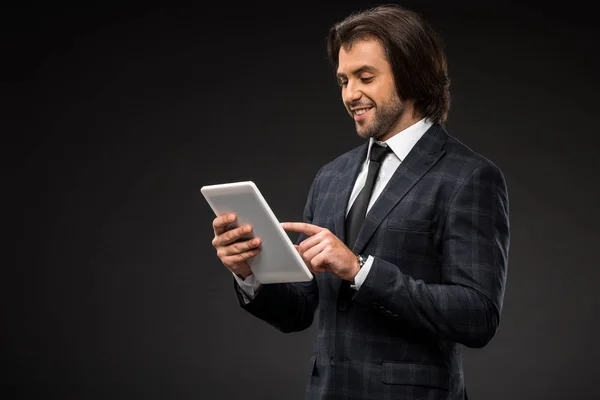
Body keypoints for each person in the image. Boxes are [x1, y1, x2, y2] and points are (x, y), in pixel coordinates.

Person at [210, 4, 509, 400]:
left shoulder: (469, 177)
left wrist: (360, 269)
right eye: (342, 81)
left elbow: (477, 317)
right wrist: (249, 274)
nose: (351, 94)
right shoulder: (331, 177)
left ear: (413, 76)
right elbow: (300, 311)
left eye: (365, 77)